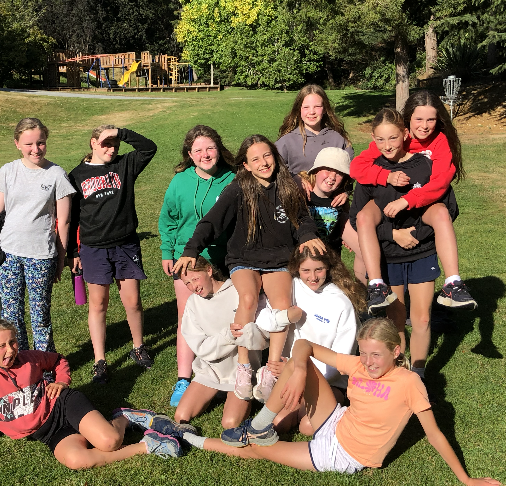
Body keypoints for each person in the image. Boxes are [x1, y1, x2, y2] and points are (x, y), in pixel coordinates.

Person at [179, 319, 501, 486]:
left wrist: (466, 479)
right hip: (336, 419)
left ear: (396, 352)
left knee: (256, 451)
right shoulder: (359, 364)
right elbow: (304, 345)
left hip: (342, 454)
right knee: (297, 362)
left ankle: (190, 438)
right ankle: (261, 424)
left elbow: (434, 434)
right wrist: (300, 369)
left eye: (377, 355)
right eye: (364, 353)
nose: (369, 362)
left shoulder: (409, 384)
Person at [173, 135, 325, 403]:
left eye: (267, 156)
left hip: (278, 258)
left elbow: (302, 218)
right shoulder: (237, 189)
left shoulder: (287, 185)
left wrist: (307, 235)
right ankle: (244, 366)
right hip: (243, 257)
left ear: (274, 156)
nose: (263, 163)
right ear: (245, 165)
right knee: (247, 298)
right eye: (255, 159)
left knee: (281, 304)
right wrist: (191, 249)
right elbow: (212, 222)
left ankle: (271, 369)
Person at [0, 319, 193, 468]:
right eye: (2, 346)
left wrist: (62, 382)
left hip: (62, 405)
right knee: (77, 460)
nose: (10, 350)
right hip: (47, 432)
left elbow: (58, 360)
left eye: (13, 342)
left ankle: (124, 418)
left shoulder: (29, 358)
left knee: (110, 441)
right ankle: (149, 446)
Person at [349, 108, 458, 387]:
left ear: (405, 135)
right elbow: (357, 218)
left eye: (393, 138)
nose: (387, 146)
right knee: (396, 319)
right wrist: (393, 234)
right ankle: (399, 372)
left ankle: (418, 374)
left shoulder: (424, 165)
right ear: (373, 138)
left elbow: (448, 208)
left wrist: (417, 236)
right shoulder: (371, 172)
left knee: (421, 319)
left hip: (422, 253)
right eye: (381, 140)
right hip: (389, 256)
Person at [350, 90, 476, 311]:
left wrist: (407, 200)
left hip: (421, 204)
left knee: (440, 213)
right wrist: (386, 176)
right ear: (408, 122)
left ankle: (453, 284)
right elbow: (358, 167)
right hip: (387, 204)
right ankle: (376, 286)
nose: (424, 126)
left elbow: (439, 184)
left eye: (431, 120)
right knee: (364, 217)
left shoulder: (439, 142)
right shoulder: (395, 138)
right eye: (419, 119)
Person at [67, 125, 157, 383]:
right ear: (93, 143)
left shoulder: (124, 165)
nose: (111, 149)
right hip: (93, 248)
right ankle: (100, 360)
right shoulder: (77, 175)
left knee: (133, 301)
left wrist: (120, 132)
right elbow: (72, 218)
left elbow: (149, 148)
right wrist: (73, 251)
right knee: (98, 304)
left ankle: (138, 347)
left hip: (125, 245)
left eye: (115, 145)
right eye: (106, 143)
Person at [158, 125, 236, 406]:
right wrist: (167, 251)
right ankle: (183, 378)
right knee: (187, 316)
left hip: (223, 258)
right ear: (190, 155)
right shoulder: (180, 181)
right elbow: (168, 219)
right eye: (198, 150)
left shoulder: (233, 179)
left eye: (210, 148)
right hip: (186, 258)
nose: (205, 154)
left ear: (219, 149)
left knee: (226, 316)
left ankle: (230, 373)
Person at [174, 257, 298, 428]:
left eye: (195, 279)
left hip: (240, 376)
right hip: (210, 371)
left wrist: (245, 334)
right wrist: (228, 336)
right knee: (181, 416)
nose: (193, 287)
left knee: (230, 423)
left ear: (209, 271)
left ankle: (246, 391)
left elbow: (264, 336)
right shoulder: (192, 303)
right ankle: (215, 392)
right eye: (187, 283)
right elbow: (200, 348)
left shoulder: (240, 291)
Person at [0, 118, 75, 352]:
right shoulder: (7, 171)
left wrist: (60, 258)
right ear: (17, 144)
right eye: (29, 144)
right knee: (11, 315)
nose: (35, 149)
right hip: (8, 254)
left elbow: (64, 221)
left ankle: (44, 364)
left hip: (41, 255)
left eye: (41, 142)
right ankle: (19, 360)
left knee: (40, 317)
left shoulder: (57, 174)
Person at [266, 246, 365, 434]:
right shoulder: (290, 287)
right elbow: (266, 318)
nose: (313, 277)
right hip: (292, 373)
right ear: (297, 268)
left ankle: (345, 409)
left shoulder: (341, 302)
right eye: (306, 270)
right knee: (279, 422)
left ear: (328, 267)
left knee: (308, 426)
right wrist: (284, 317)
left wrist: (302, 374)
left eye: (319, 269)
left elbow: (341, 361)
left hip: (329, 382)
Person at [298, 147, 366, 284]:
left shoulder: (339, 201)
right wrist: (297, 180)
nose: (332, 177)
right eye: (328, 170)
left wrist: (346, 192)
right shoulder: (300, 194)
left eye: (339, 173)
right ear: (316, 170)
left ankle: (362, 291)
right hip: (302, 268)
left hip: (331, 268)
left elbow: (362, 248)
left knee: (366, 251)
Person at [276, 84, 354, 177]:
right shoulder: (286, 142)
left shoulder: (338, 140)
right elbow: (276, 175)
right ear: (299, 110)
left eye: (317, 106)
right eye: (306, 107)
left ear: (324, 109)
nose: (312, 112)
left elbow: (349, 174)